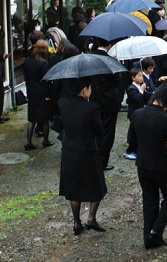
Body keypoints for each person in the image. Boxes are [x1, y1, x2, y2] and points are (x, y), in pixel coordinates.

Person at [127, 84, 167, 249]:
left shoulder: (137, 114)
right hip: (161, 165)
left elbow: (131, 141)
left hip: (142, 164)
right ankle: (156, 230)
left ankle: (148, 238)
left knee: (149, 199)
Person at [59, 78, 107, 235]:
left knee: (73, 186)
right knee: (97, 185)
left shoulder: (63, 104)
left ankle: (76, 222)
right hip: (88, 151)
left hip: (69, 150)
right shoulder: (92, 108)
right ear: (85, 90)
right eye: (90, 88)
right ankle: (91, 218)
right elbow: (99, 130)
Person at [90, 37, 125, 170]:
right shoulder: (110, 60)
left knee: (95, 130)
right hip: (109, 101)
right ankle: (102, 161)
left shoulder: (90, 58)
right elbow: (117, 82)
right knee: (108, 132)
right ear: (109, 44)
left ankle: (93, 158)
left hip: (94, 98)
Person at [23, 40, 53, 150]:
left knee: (32, 118)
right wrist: (48, 94)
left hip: (31, 92)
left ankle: (28, 142)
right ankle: (45, 140)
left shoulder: (27, 61)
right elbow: (46, 80)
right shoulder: (43, 63)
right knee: (45, 118)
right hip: (41, 93)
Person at [123, 68, 148, 160]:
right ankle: (131, 150)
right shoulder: (131, 88)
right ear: (133, 78)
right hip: (134, 113)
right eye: (139, 76)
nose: (141, 78)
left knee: (138, 132)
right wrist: (141, 90)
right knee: (135, 132)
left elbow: (145, 96)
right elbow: (137, 99)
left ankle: (137, 149)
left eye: (142, 76)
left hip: (139, 112)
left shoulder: (140, 86)